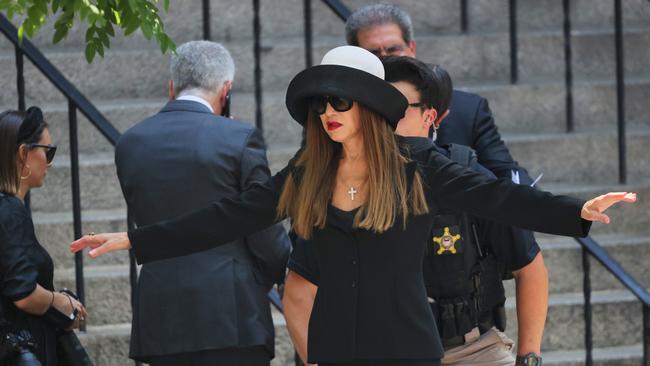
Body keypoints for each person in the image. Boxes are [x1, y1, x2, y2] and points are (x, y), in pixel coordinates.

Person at [70, 46, 636, 366]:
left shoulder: (420, 166)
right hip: (334, 351)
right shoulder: (309, 172)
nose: (327, 112)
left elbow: (500, 196)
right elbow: (229, 217)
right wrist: (133, 241)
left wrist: (577, 212)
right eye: (319, 104)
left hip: (410, 348)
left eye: (339, 100)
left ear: (368, 104)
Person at [283, 57, 547, 366]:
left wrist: (529, 358)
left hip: (471, 351)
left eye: (399, 108)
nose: (386, 118)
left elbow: (529, 267)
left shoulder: (465, 176)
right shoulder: (341, 187)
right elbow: (299, 291)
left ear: (429, 117)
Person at [114, 40, 291, 366]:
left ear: (171, 87)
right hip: (231, 312)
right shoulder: (238, 137)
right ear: (226, 88)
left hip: (160, 312)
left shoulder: (129, 142)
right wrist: (284, 269)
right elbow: (262, 224)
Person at [345, 3, 532, 184]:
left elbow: (504, 170)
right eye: (373, 53)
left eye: (394, 49)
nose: (386, 58)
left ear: (412, 49)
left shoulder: (467, 109)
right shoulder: (341, 112)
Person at [0, 107, 87, 365]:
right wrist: (59, 301)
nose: (50, 162)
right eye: (47, 152)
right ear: (23, 153)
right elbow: (23, 293)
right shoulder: (11, 211)